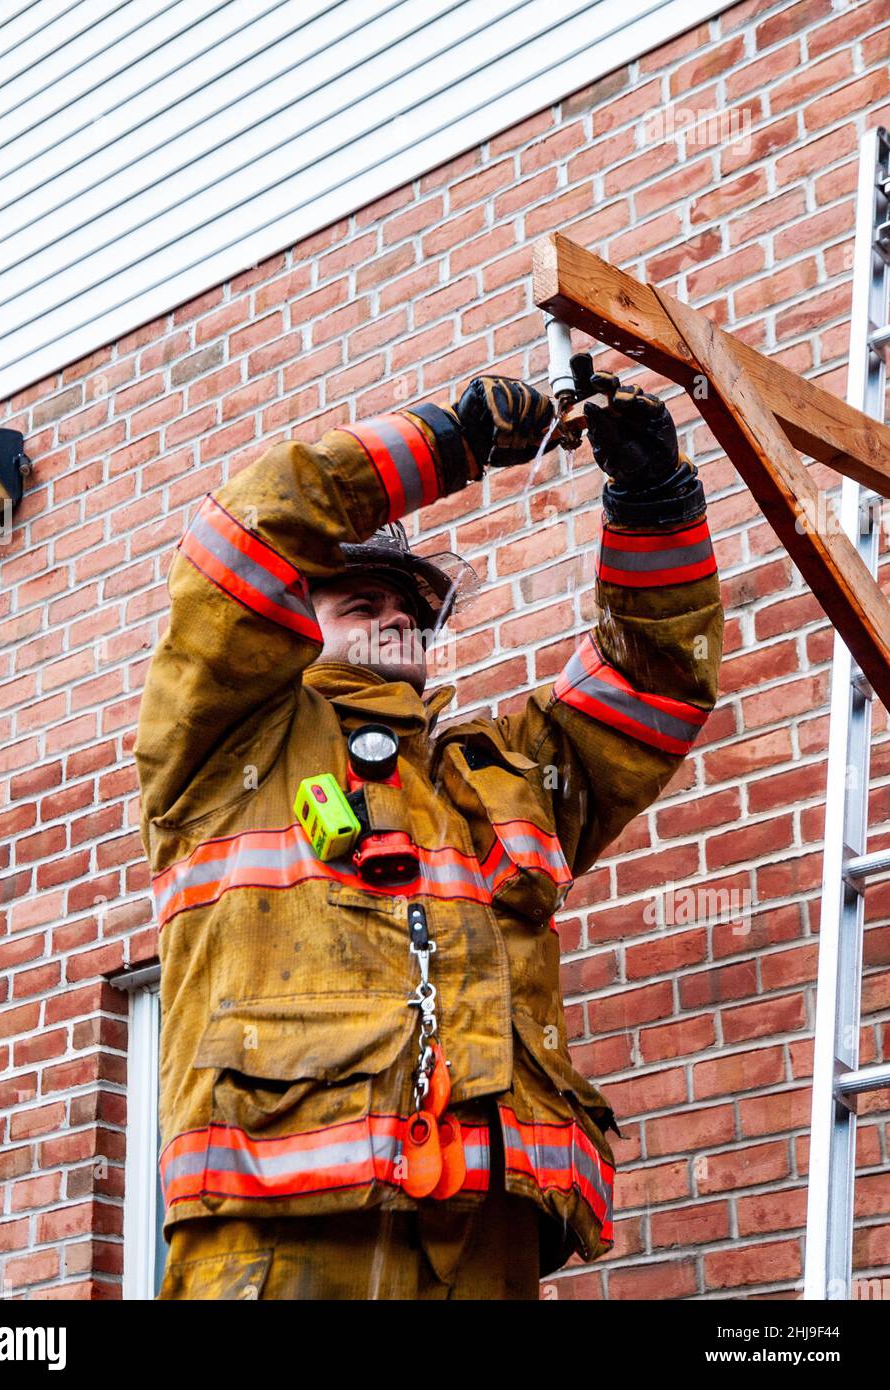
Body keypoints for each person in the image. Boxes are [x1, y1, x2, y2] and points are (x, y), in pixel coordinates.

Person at [134, 362, 723, 1300]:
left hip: (485, 1240)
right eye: (358, 599)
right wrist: (452, 438)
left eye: (410, 605)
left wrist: (654, 505)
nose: (396, 613)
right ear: (291, 623)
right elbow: (246, 536)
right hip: (284, 1240)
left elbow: (653, 686)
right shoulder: (221, 739)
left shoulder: (497, 770)